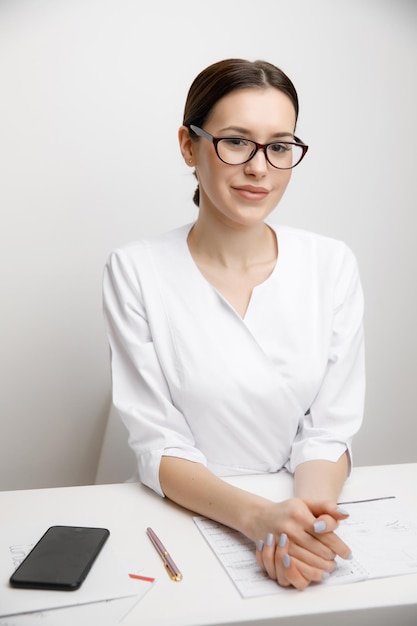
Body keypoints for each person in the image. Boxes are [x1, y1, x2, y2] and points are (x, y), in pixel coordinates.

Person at [103, 58, 365, 590]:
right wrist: (258, 521)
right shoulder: (136, 270)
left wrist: (305, 521)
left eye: (280, 146)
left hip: (296, 507)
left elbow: (327, 431)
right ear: (188, 146)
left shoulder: (330, 264)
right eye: (237, 141)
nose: (259, 168)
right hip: (184, 517)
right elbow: (161, 445)